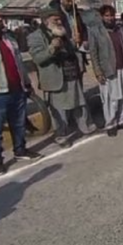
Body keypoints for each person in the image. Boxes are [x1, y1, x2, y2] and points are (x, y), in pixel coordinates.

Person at [0, 7, 41, 176]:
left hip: (16, 88)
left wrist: (26, 83)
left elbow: (18, 62)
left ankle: (20, 150)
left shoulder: (8, 39)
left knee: (18, 123)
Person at [28, 8, 96, 147]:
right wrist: (52, 48)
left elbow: (73, 50)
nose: (59, 22)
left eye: (59, 19)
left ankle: (87, 128)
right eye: (55, 20)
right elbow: (38, 58)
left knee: (80, 104)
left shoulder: (63, 32)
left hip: (72, 75)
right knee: (60, 111)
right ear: (46, 21)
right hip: (56, 79)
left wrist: (78, 43)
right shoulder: (35, 36)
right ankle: (61, 136)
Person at [88, 5, 123, 137]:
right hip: (107, 69)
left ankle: (122, 120)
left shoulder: (119, 29)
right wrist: (98, 72)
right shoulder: (95, 31)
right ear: (102, 17)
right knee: (110, 99)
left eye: (111, 15)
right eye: (107, 15)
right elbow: (93, 53)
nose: (109, 18)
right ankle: (111, 123)